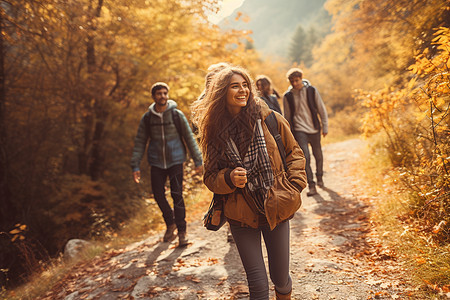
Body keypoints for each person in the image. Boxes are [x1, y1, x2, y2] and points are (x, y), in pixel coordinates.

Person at [191, 65, 307, 299]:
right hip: (240, 213)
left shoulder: (269, 118)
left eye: (245, 85)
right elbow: (210, 176)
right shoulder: (214, 131)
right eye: (235, 86)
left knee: (281, 279)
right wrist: (228, 178)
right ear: (222, 92)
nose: (242, 90)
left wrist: (294, 187)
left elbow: (295, 152)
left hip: (276, 204)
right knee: (257, 284)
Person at [130, 82, 203, 247]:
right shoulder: (148, 118)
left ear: (167, 95)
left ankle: (182, 233)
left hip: (176, 160)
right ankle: (171, 223)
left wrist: (198, 160)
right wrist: (135, 166)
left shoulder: (177, 115)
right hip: (156, 161)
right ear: (154, 96)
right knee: (158, 195)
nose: (162, 96)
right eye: (159, 93)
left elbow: (189, 137)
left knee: (177, 195)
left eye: (164, 93)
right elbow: (140, 142)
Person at [282, 68, 328, 197]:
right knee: (305, 157)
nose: (295, 83)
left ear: (301, 78)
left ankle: (320, 177)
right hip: (299, 129)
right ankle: (311, 185)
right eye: (292, 81)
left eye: (297, 80)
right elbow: (287, 117)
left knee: (318, 154)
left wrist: (325, 127)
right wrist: (288, 135)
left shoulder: (311, 90)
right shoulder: (288, 96)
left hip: (314, 127)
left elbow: (321, 109)